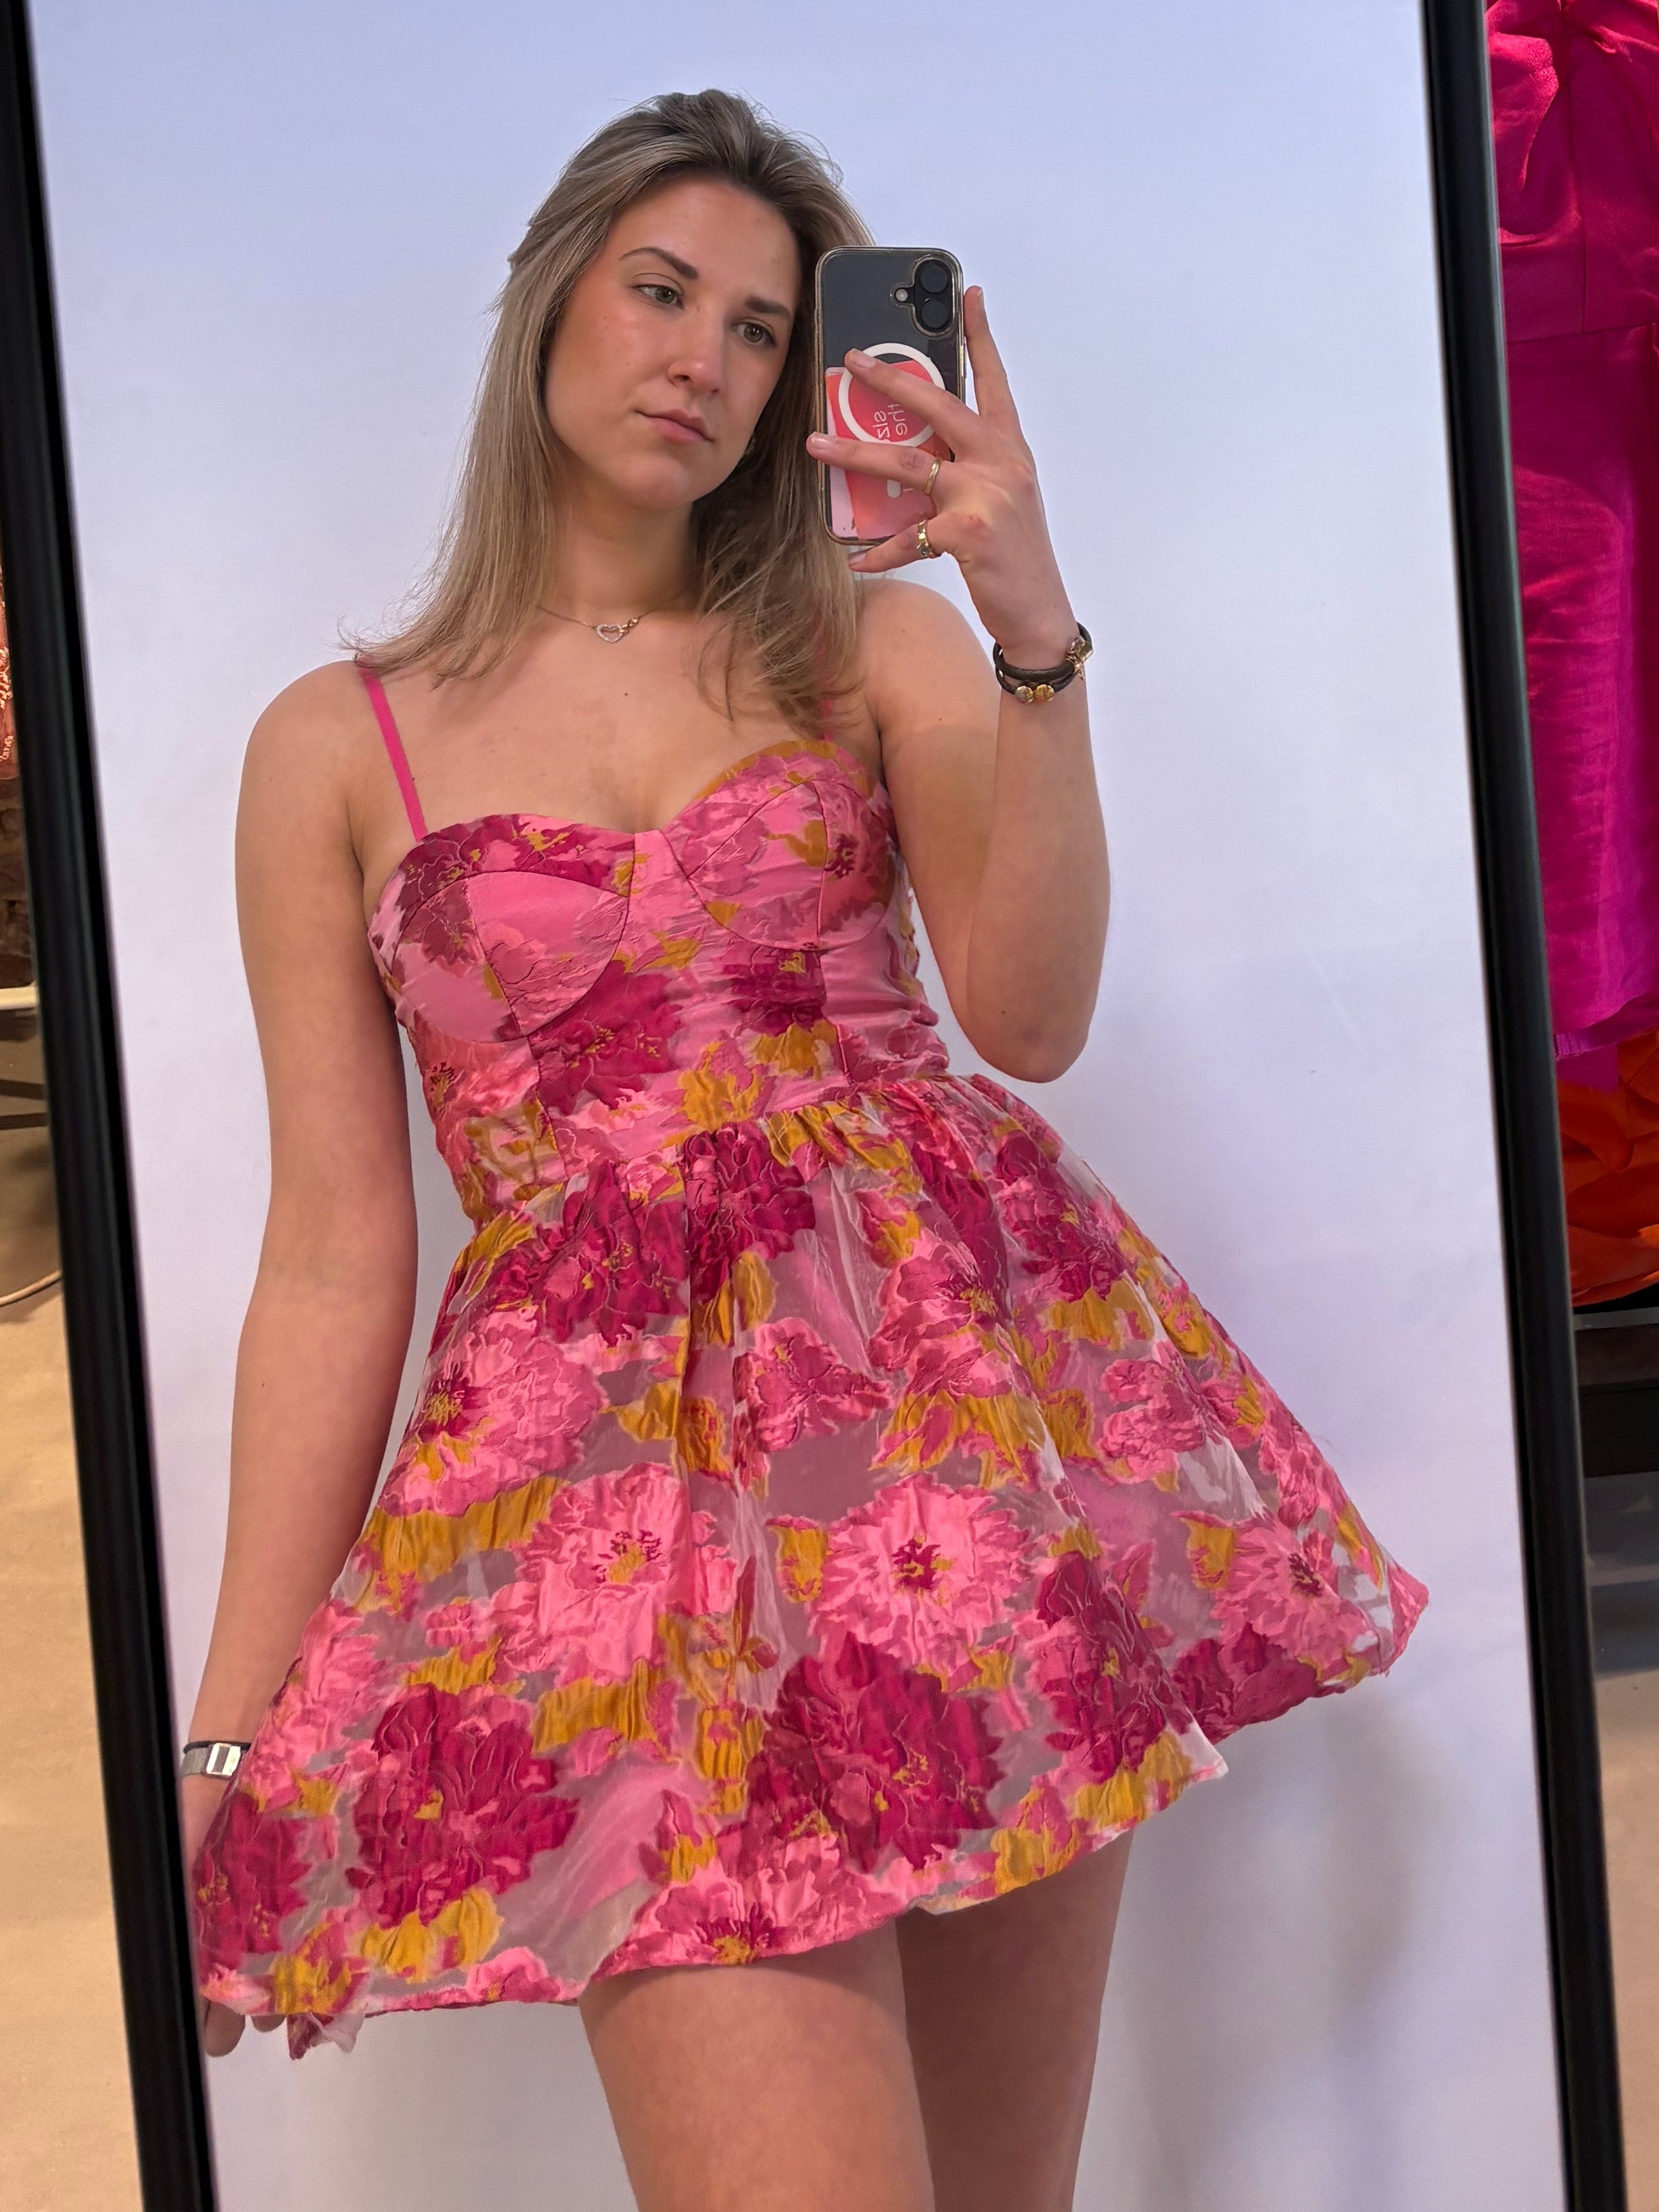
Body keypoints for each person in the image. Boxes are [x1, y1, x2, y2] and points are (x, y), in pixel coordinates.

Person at [182, 88, 1425, 2212]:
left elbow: (1027, 1015)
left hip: (959, 1456)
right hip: (617, 1539)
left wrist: (1031, 626)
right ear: (547, 299)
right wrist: (231, 1734)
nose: (706, 359)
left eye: (761, 328)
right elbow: (328, 1253)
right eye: (663, 291)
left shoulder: (869, 642)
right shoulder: (334, 742)